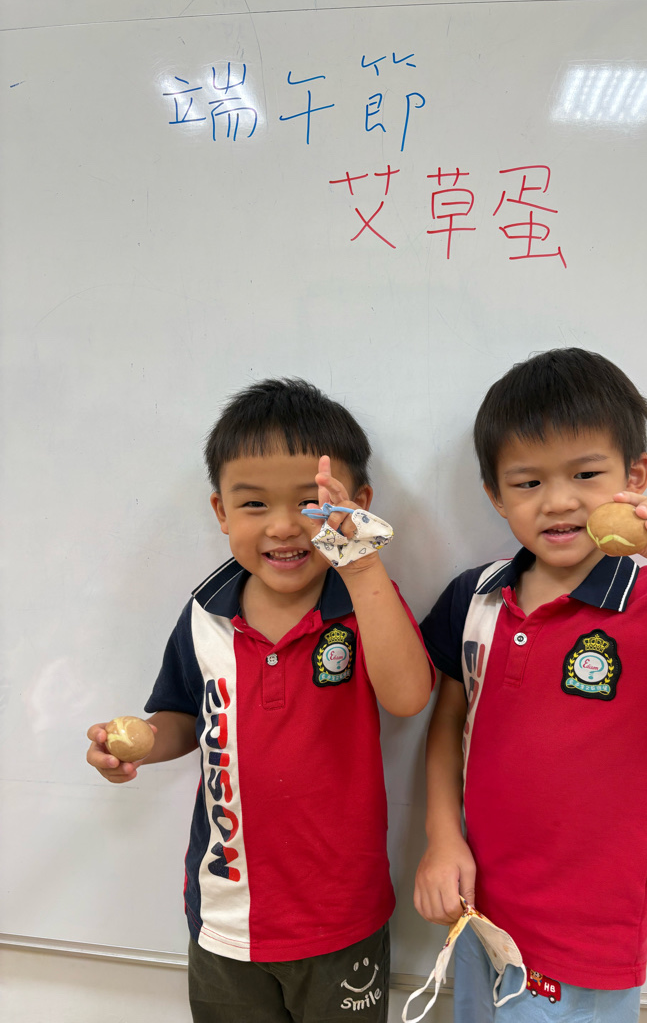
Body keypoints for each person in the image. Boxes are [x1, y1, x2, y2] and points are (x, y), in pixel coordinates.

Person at [413, 348, 647, 1023]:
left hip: (587, 948)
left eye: (585, 473)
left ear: (635, 477)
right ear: (495, 495)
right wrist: (441, 836)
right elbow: (448, 719)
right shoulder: (476, 596)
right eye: (527, 482)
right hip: (480, 919)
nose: (559, 501)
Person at [86, 378, 433, 1023]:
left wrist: (361, 563)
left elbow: (410, 697)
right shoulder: (204, 615)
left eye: (310, 502)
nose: (282, 526)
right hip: (223, 915)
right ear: (221, 512)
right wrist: (141, 743)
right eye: (253, 504)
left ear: (357, 504)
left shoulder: (364, 602)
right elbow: (182, 716)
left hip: (340, 917)